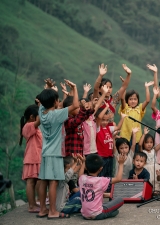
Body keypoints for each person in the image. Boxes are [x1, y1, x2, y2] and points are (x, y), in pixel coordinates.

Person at [37, 80, 80, 219]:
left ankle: (43, 209)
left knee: (43, 181)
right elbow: (76, 105)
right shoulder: (57, 115)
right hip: (55, 154)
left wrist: (48, 88)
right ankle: (53, 211)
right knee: (54, 182)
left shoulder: (42, 112)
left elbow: (44, 101)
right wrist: (74, 87)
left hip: (45, 153)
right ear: (56, 102)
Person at [79, 153, 126, 220]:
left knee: (106, 204)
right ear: (101, 169)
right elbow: (118, 179)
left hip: (84, 214)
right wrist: (121, 164)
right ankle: (108, 213)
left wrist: (84, 162)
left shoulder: (82, 178)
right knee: (120, 200)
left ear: (86, 167)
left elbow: (80, 174)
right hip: (97, 214)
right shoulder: (101, 180)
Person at [119, 81, 154, 151]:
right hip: (125, 138)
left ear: (138, 100)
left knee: (136, 157)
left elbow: (147, 101)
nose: (133, 101)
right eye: (130, 99)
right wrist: (124, 86)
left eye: (135, 99)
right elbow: (122, 98)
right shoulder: (125, 108)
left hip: (137, 138)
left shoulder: (140, 109)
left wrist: (147, 87)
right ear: (127, 100)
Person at [20, 104, 42, 213]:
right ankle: (31, 205)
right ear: (33, 117)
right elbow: (40, 121)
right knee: (31, 182)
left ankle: (34, 203)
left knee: (35, 181)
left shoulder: (32, 125)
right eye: (39, 115)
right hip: (32, 157)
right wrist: (43, 107)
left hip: (36, 157)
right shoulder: (28, 126)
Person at [138, 127, 160, 192]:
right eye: (147, 142)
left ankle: (156, 190)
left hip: (155, 167)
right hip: (147, 168)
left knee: (156, 179)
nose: (149, 144)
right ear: (144, 143)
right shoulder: (143, 152)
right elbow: (139, 144)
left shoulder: (154, 150)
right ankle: (149, 191)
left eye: (151, 142)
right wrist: (144, 134)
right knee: (149, 180)